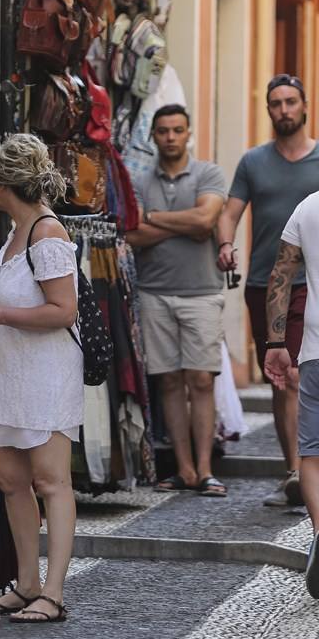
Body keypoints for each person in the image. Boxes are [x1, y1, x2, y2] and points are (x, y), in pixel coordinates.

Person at [0, 134, 83, 624]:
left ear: (2, 185)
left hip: (46, 375)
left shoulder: (48, 235)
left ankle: (53, 592)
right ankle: (27, 582)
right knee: (11, 479)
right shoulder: (14, 234)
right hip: (12, 374)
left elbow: (62, 310)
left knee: (51, 481)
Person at [218, 74, 319, 507]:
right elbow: (230, 211)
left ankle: (302, 468)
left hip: (308, 282)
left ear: (305, 106)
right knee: (281, 379)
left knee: (296, 376)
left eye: (290, 102)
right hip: (265, 282)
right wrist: (225, 243)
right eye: (275, 103)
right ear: (269, 110)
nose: (283, 110)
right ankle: (293, 469)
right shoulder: (253, 162)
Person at [127, 104, 228, 497]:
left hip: (202, 293)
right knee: (168, 382)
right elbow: (131, 236)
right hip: (153, 293)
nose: (170, 137)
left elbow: (206, 222)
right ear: (153, 136)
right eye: (164, 131)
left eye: (177, 130)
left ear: (189, 134)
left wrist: (153, 219)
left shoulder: (208, 173)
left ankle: (205, 469)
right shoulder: (137, 181)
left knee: (201, 380)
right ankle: (183, 468)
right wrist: (185, 224)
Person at [264, 193, 319, 597]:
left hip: (316, 350)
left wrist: (275, 342)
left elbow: (281, 274)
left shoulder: (307, 206)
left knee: (313, 454)